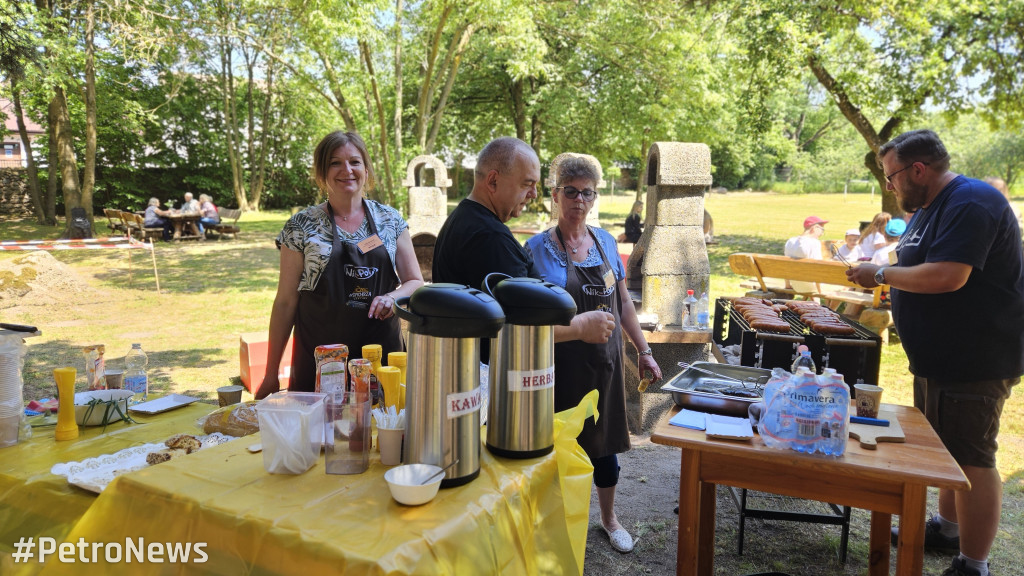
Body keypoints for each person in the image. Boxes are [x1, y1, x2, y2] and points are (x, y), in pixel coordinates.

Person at [847, 129, 1024, 576]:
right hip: (939, 357)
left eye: (891, 178)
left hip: (974, 358)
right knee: (945, 450)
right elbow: (920, 263)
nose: (890, 187)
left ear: (918, 169)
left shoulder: (970, 202)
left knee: (971, 457)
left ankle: (974, 564)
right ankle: (946, 529)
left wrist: (881, 275)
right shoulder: (929, 208)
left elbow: (949, 275)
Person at [524, 157, 662, 554]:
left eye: (587, 192)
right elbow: (528, 320)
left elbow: (623, 305)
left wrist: (645, 351)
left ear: (594, 197)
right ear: (555, 195)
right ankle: (551, 519)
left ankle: (609, 519)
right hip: (560, 365)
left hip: (605, 365)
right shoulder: (534, 251)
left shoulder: (605, 242)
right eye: (570, 191)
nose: (578, 200)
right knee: (555, 446)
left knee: (604, 447)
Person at [257, 131, 425, 399]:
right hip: (321, 363)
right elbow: (285, 303)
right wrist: (270, 373)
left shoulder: (390, 220)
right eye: (335, 162)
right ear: (322, 173)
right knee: (321, 438)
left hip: (380, 361)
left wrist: (392, 298)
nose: (346, 170)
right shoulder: (300, 226)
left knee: (384, 432)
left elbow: (415, 282)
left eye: (355, 162)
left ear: (366, 169)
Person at [432, 136, 616, 362]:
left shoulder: (463, 218)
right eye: (527, 184)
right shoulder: (489, 238)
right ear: (492, 181)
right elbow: (520, 326)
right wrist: (581, 326)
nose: (534, 194)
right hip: (488, 378)